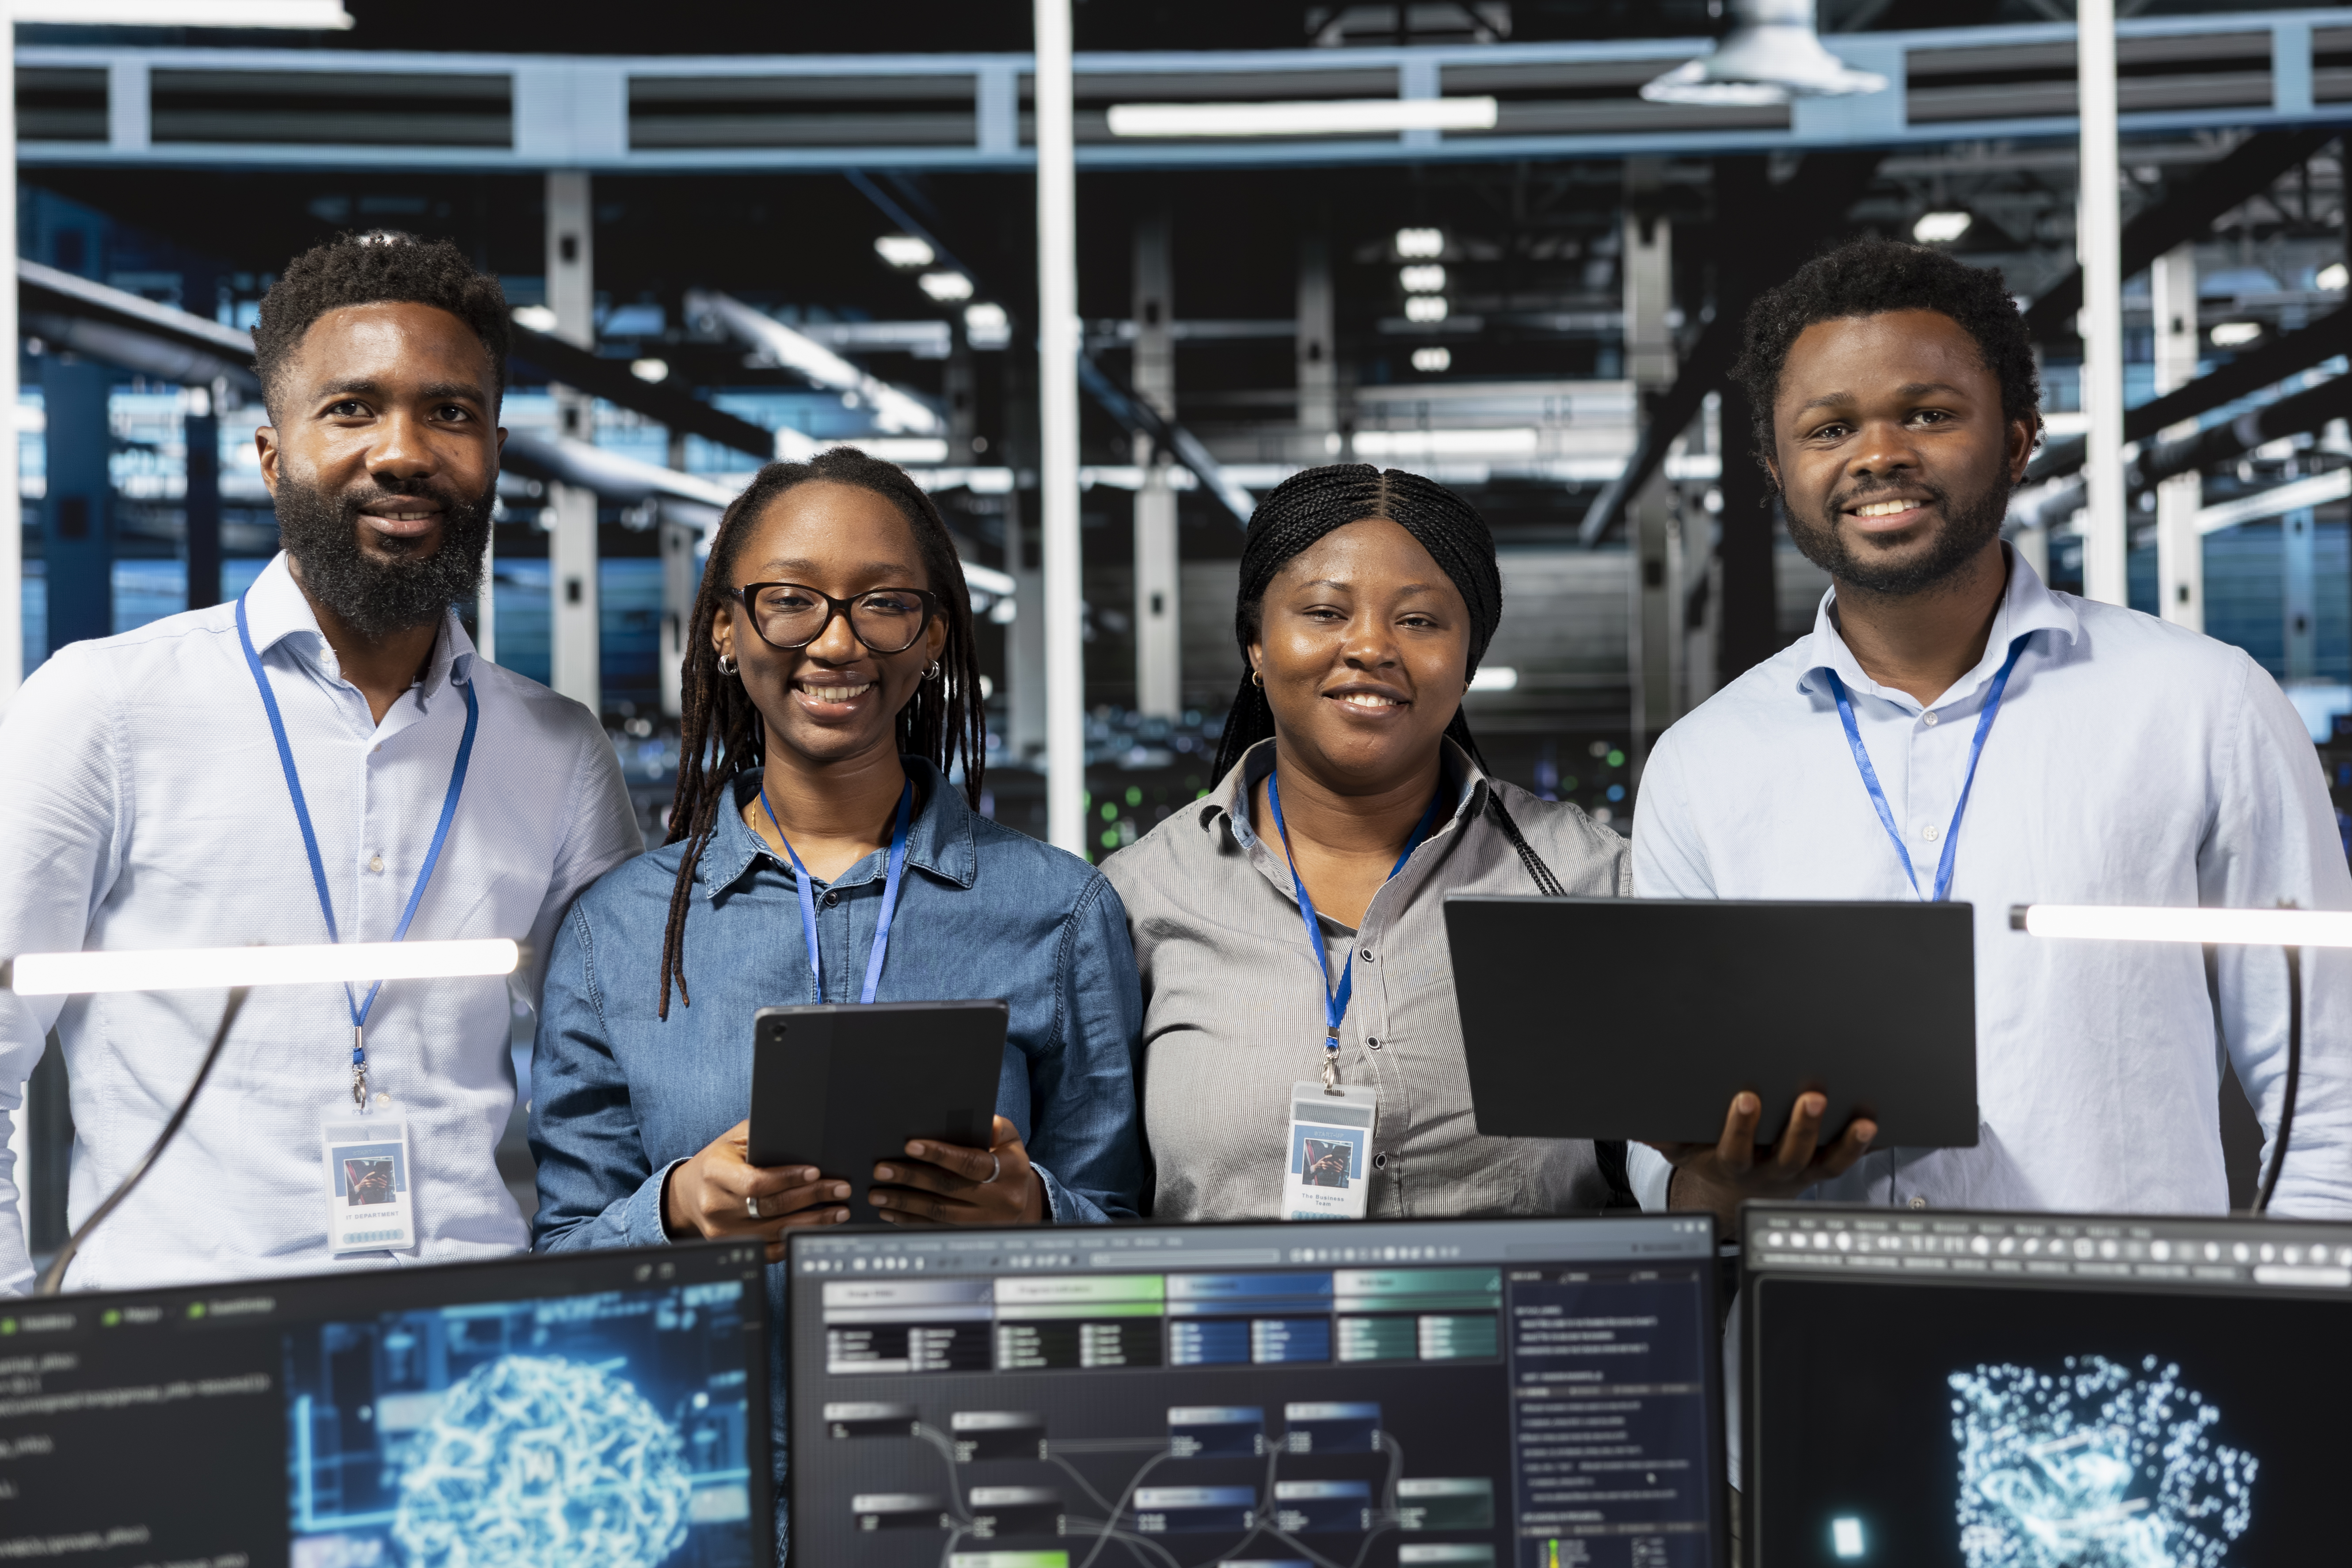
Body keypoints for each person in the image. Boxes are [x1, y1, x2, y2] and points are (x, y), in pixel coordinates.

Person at [1629, 239, 2352, 1224]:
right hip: (1822, 1313)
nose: (1877, 455)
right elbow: (1664, 1138)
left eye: (1928, 414)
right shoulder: (1705, 764)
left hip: (2116, 1310)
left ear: (2017, 441)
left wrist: (2271, 1301)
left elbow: (2328, 1095)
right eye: (1829, 428)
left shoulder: (2200, 705)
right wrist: (1720, 1180)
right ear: (1776, 470)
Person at [0, 232, 642, 1294]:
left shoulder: (557, 749)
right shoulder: (106, 707)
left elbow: (614, 1076)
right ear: (271, 455)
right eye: (351, 409)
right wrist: (24, 1348)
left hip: (469, 1331)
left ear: (494, 450)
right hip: (189, 1346)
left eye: (450, 412)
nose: (403, 453)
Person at [528, 448, 1143, 1543]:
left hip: (975, 1488)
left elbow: (1128, 1258)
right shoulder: (618, 931)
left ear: (934, 636)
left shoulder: (1057, 912)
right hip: (701, 1487)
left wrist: (1034, 1211)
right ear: (726, 629)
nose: (838, 641)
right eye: (791, 600)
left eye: (884, 604)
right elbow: (561, 1268)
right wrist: (676, 1209)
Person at [1103, 464, 1630, 1219]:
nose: (1371, 646)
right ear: (1255, 644)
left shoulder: (1589, 879)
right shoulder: (1136, 900)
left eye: (1418, 621)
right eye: (1324, 612)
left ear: (1468, 659)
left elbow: (1664, 1171)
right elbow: (1098, 1203)